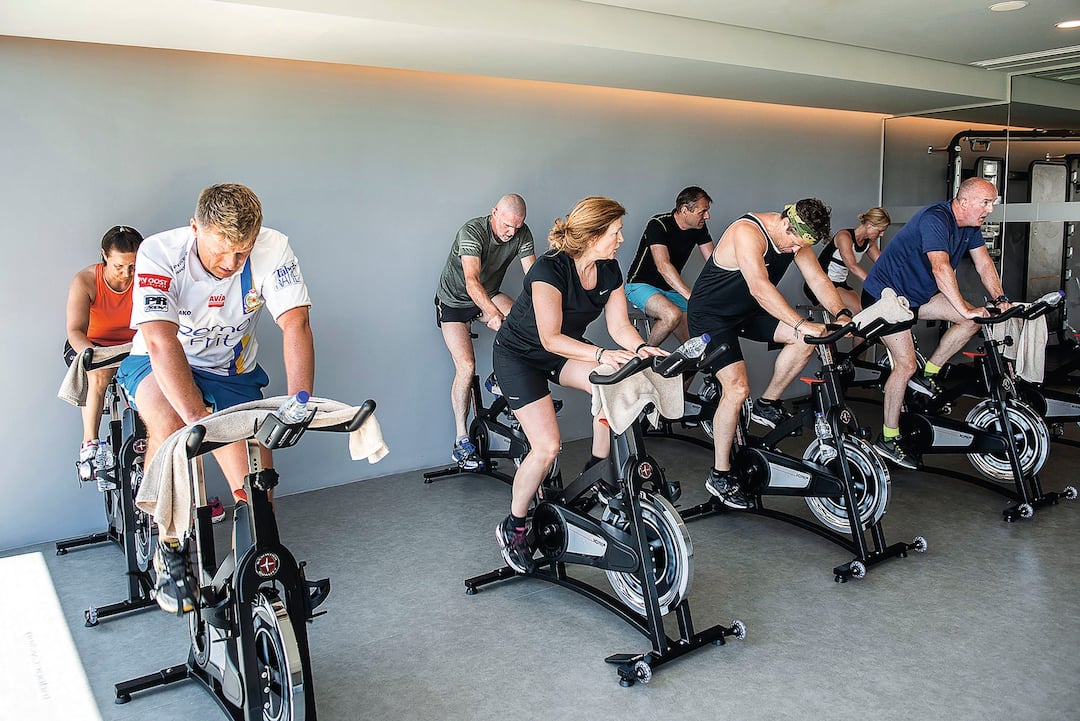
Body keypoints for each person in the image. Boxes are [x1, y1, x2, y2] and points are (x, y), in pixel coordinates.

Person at [116, 183, 314, 614]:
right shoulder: (159, 252)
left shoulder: (274, 247)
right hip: (158, 360)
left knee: (256, 488)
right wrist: (195, 416)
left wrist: (300, 401)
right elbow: (159, 340)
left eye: (242, 253)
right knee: (171, 426)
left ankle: (255, 570)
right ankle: (170, 547)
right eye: (220, 252)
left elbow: (295, 323)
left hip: (229, 370)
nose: (230, 264)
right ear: (195, 229)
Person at [491, 197, 666, 572]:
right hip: (520, 355)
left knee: (612, 383)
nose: (621, 239)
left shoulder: (609, 269)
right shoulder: (549, 269)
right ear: (593, 235)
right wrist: (601, 353)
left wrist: (641, 348)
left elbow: (620, 326)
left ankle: (597, 469)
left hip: (562, 351)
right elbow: (550, 337)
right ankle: (514, 525)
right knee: (547, 447)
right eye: (615, 232)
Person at [687, 199, 850, 500]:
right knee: (737, 389)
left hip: (747, 312)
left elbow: (817, 279)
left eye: (800, 247)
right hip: (711, 316)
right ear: (786, 223)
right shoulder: (748, 232)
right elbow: (759, 288)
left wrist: (841, 314)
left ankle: (767, 403)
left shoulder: (796, 239)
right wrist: (802, 323)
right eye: (794, 244)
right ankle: (720, 474)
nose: (795, 250)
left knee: (804, 340)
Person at [861, 178, 1007, 469]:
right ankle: (888, 438)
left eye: (992, 203)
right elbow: (940, 267)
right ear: (964, 202)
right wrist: (964, 308)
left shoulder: (970, 226)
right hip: (885, 299)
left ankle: (928, 374)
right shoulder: (936, 219)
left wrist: (1000, 298)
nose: (990, 209)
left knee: (974, 321)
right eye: (986, 203)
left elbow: (984, 263)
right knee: (905, 365)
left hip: (918, 298)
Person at [435, 194, 536, 470]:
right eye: (507, 225)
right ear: (494, 213)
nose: (511, 232)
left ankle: (498, 379)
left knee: (526, 324)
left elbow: (534, 278)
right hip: (454, 302)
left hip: (489, 293)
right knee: (466, 366)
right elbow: (471, 281)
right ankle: (461, 439)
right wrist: (491, 313)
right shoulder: (472, 231)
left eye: (517, 227)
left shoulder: (521, 233)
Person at [65, 225, 144, 483]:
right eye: (119, 266)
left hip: (133, 345)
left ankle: (145, 445)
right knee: (98, 376)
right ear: (104, 256)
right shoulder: (86, 280)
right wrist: (92, 353)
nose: (127, 274)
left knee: (145, 383)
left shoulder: (146, 277)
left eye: (133, 266)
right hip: (94, 344)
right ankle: (89, 446)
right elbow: (75, 330)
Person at [624, 186, 716, 346]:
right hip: (640, 285)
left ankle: (688, 364)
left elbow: (714, 263)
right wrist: (691, 297)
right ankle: (645, 356)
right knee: (672, 315)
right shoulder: (658, 224)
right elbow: (663, 266)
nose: (707, 216)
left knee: (695, 340)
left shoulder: (699, 228)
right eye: (702, 212)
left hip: (670, 290)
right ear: (685, 210)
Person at [803, 207, 890, 313]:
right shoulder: (844, 236)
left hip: (840, 284)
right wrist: (874, 285)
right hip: (819, 283)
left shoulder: (869, 243)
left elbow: (884, 265)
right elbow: (852, 266)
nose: (882, 235)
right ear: (869, 225)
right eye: (880, 231)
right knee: (857, 312)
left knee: (862, 312)